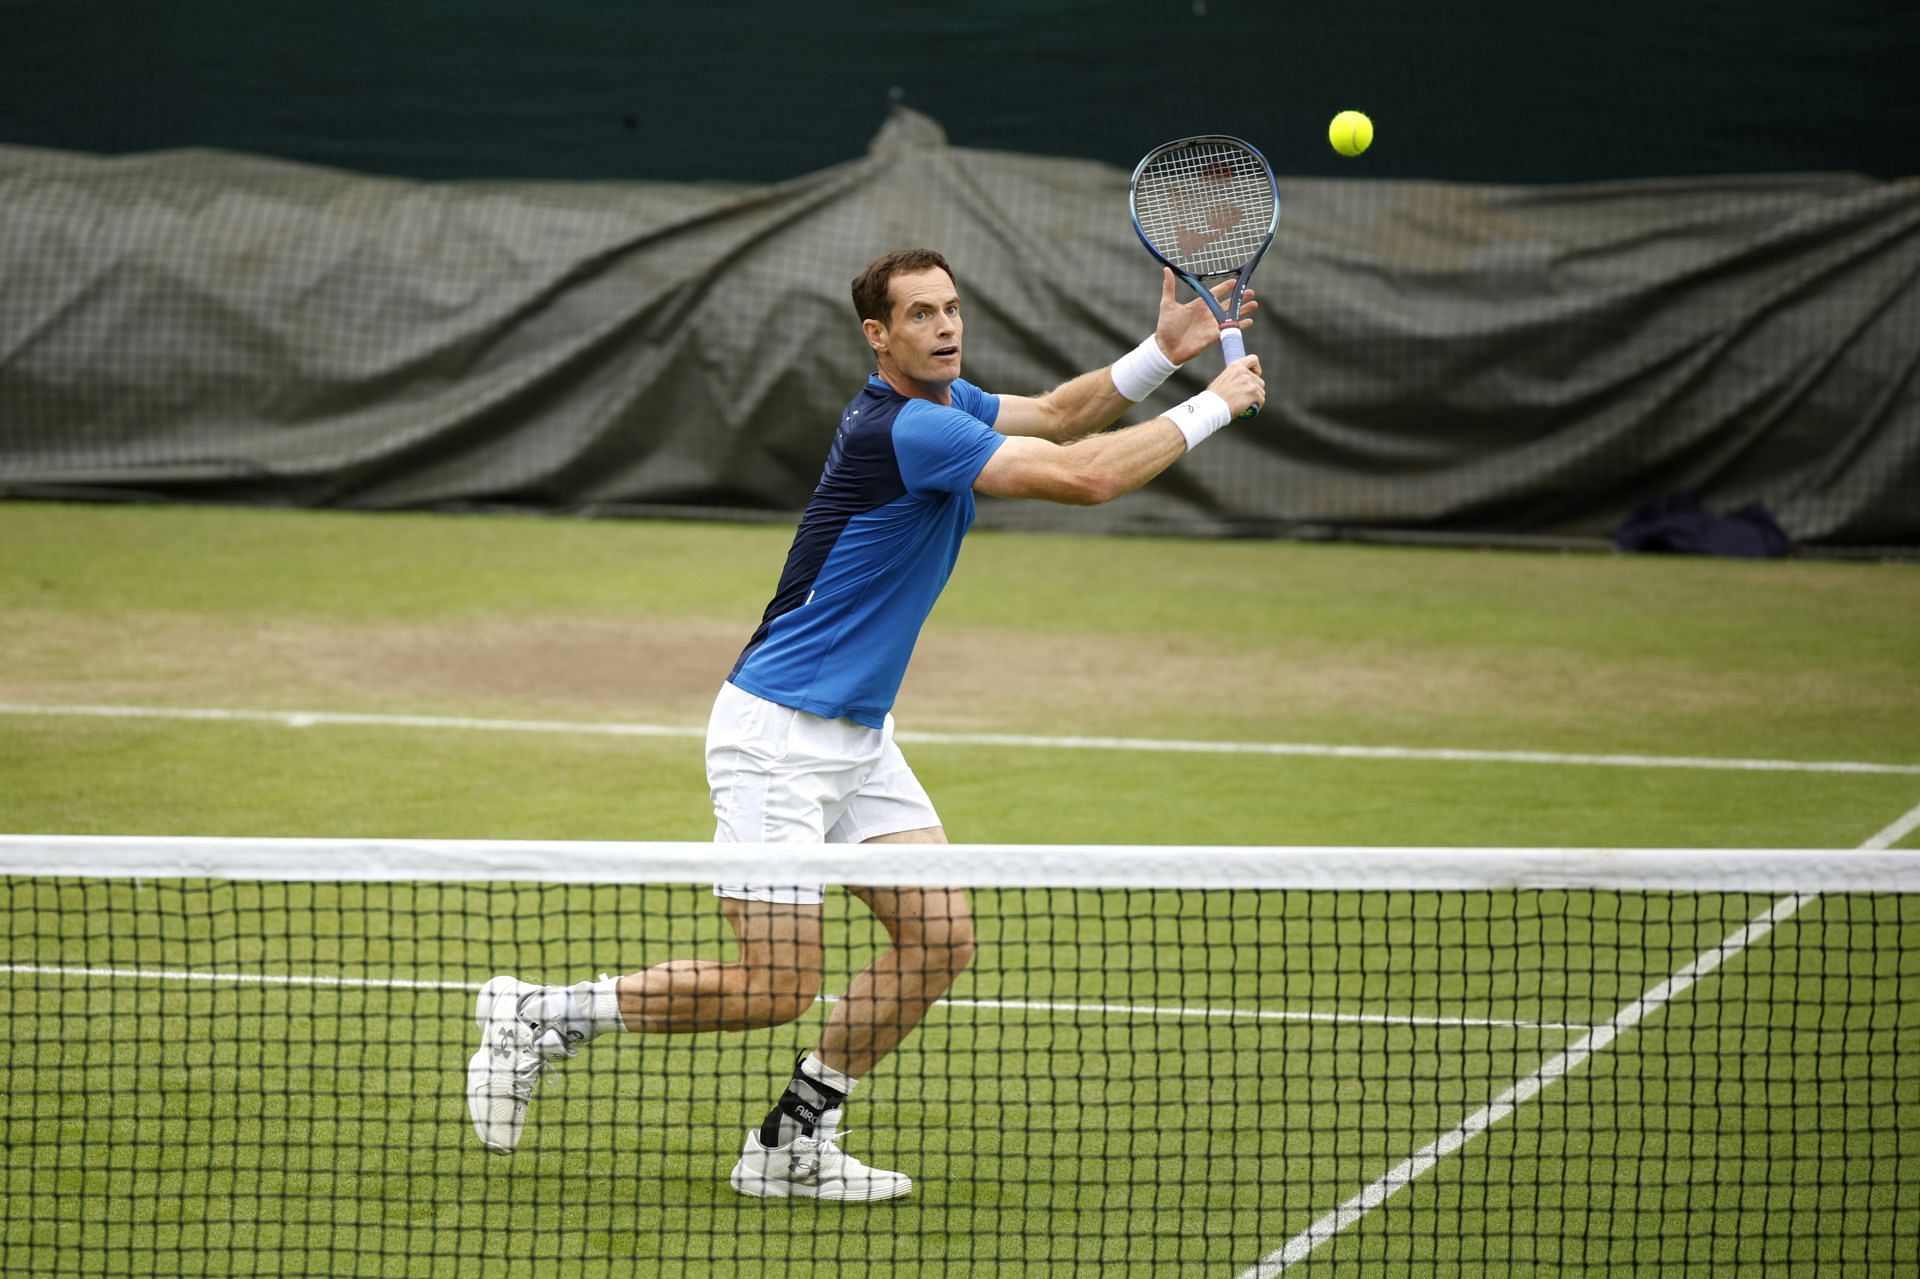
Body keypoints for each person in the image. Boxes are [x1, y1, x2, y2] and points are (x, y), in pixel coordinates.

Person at [466, 247, 1265, 1200]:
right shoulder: (905, 430)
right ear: (877, 336)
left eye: (953, 308)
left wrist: (1161, 353)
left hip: (857, 737)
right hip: (776, 740)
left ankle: (788, 1144)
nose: (946, 326)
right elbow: (1084, 475)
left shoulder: (945, 406)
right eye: (922, 314)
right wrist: (1213, 402)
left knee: (938, 939)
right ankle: (541, 1015)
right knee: (775, 986)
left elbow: (1057, 415)